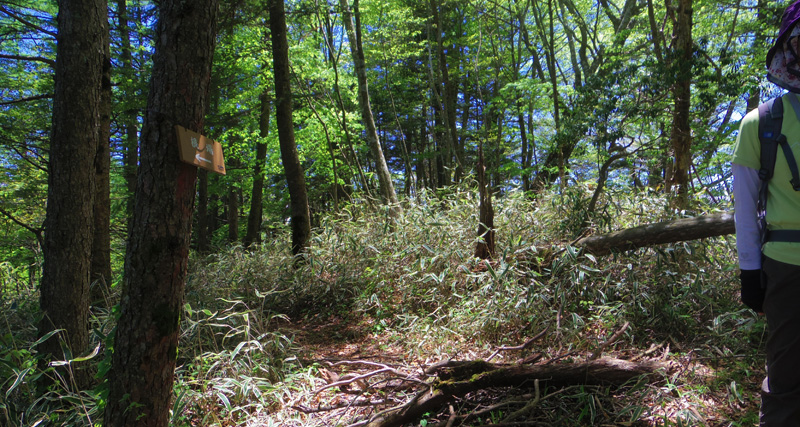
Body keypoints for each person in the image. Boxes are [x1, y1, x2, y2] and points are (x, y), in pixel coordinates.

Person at [733, 1, 800, 425]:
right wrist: (748, 274)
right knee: (786, 376)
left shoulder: (760, 123)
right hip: (784, 270)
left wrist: (750, 273)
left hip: (783, 270)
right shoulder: (759, 124)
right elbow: (744, 208)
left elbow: (744, 210)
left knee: (786, 376)